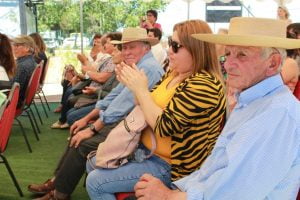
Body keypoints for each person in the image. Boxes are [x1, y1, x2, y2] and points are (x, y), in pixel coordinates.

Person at [133, 17, 300, 200]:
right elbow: (213, 169)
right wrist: (177, 189)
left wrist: (166, 195)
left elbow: (231, 194)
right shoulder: (252, 100)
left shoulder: (276, 114)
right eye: (227, 54)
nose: (228, 65)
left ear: (273, 63)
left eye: (242, 55)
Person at [85, 19, 226, 200]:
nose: (169, 50)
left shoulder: (204, 84)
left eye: (176, 46)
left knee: (95, 182)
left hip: (170, 166)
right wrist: (135, 86)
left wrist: (141, 89)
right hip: (145, 150)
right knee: (92, 164)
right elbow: (142, 103)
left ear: (196, 49)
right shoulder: (174, 73)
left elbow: (164, 126)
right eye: (170, 43)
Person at [28, 27, 164, 200]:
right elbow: (115, 96)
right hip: (127, 123)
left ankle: (59, 194)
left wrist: (92, 128)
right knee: (78, 132)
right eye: (125, 47)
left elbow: (122, 106)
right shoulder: (138, 64)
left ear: (146, 47)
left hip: (136, 132)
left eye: (132, 47)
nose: (126, 52)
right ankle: (56, 182)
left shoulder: (148, 69)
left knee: (82, 143)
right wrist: (88, 119)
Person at [50, 32, 122, 129]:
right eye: (95, 42)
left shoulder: (115, 62)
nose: (101, 45)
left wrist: (85, 66)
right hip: (97, 92)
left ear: (116, 46)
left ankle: (67, 119)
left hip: (97, 94)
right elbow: (96, 74)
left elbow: (100, 78)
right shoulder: (110, 60)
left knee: (71, 108)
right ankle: (65, 117)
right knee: (69, 92)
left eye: (104, 42)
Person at [11, 35, 37, 107]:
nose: (13, 48)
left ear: (27, 48)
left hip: (14, 102)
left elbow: (14, 89)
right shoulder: (30, 60)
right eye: (13, 45)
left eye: (17, 45)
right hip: (19, 99)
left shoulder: (22, 65)